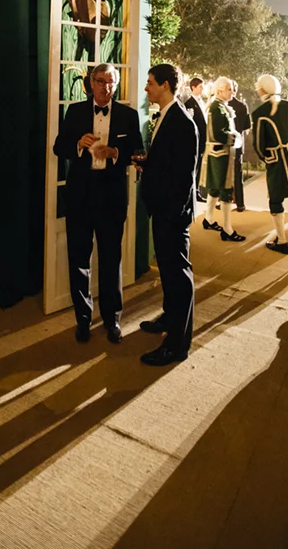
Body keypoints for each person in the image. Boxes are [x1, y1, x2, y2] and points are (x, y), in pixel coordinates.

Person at [53, 62, 142, 344]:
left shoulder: (128, 115)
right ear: (91, 83)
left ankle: (112, 318)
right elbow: (58, 147)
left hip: (111, 197)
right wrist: (78, 145)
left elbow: (137, 151)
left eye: (111, 81)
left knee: (111, 259)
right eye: (101, 81)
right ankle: (82, 318)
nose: (107, 87)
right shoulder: (75, 111)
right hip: (80, 196)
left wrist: (116, 152)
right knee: (79, 259)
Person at [137, 64, 198, 365]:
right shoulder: (165, 115)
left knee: (178, 275)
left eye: (150, 83)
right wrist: (147, 164)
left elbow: (184, 176)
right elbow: (168, 162)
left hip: (172, 213)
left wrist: (171, 215)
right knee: (168, 272)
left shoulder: (182, 122)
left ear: (164, 85)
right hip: (162, 208)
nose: (146, 88)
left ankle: (176, 344)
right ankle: (169, 317)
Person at [252, 74, 288, 255]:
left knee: (276, 200)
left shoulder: (259, 113)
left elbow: (259, 145)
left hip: (276, 161)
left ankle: (282, 240)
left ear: (262, 90)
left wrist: (268, 157)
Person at [200, 76, 245, 242]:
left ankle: (209, 219)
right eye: (229, 89)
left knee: (214, 188)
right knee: (225, 189)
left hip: (219, 153)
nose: (232, 92)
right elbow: (217, 134)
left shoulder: (219, 106)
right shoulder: (217, 108)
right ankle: (227, 229)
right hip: (220, 154)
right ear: (220, 91)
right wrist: (236, 138)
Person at [228, 81, 251, 212]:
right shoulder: (242, 105)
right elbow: (247, 126)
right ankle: (240, 203)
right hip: (238, 143)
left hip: (226, 144)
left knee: (225, 174)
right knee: (238, 174)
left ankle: (225, 199)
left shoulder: (224, 105)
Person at [184, 76, 207, 202]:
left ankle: (197, 190)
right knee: (195, 166)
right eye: (200, 86)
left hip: (203, 139)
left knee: (199, 166)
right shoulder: (189, 104)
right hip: (196, 140)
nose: (202, 89)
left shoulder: (202, 102)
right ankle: (193, 191)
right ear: (193, 87)